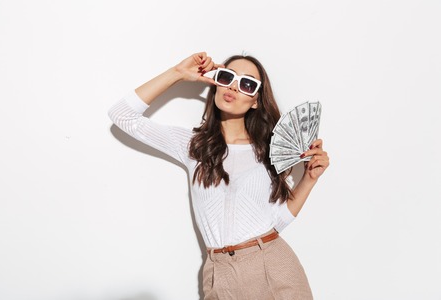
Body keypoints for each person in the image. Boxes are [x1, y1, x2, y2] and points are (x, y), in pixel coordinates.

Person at [108, 52, 330, 300]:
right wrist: (178, 73)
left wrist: (309, 179)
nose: (234, 87)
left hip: (273, 266)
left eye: (247, 84)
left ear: (255, 100)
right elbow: (122, 116)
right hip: (218, 273)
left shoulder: (269, 151)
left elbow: (277, 220)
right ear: (216, 83)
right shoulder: (193, 146)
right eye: (227, 77)